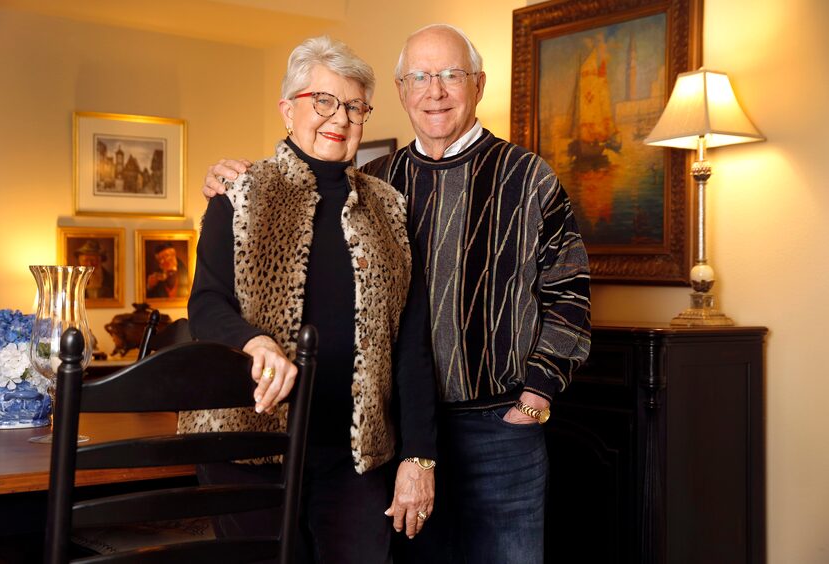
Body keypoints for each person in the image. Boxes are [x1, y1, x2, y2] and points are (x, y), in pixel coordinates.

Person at [201, 24, 590, 563]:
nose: (436, 91)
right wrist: (230, 183)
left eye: (451, 75)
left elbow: (568, 291)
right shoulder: (383, 181)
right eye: (420, 77)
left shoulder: (522, 177)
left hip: (493, 426)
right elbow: (213, 296)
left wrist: (536, 398)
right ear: (403, 92)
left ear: (477, 84)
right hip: (374, 430)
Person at [185, 35, 438, 564]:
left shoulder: (388, 208)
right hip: (245, 445)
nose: (338, 118)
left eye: (354, 106)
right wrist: (255, 343)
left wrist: (420, 454)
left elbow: (411, 344)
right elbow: (206, 304)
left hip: (355, 452)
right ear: (287, 109)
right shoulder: (240, 192)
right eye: (322, 101)